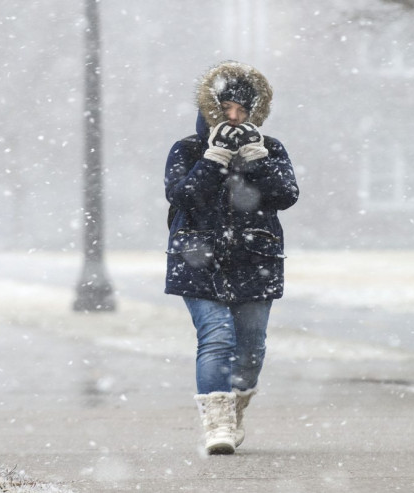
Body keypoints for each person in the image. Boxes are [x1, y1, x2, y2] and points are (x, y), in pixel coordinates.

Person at [164, 61, 299, 454]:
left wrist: (256, 159)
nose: (234, 116)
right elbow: (184, 195)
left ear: (255, 112)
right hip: (197, 257)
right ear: (213, 107)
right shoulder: (187, 149)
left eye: (243, 109)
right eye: (227, 108)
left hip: (256, 257)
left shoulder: (270, 149)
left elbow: (286, 195)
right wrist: (215, 157)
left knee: (251, 348)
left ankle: (234, 411)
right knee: (217, 336)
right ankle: (217, 424)